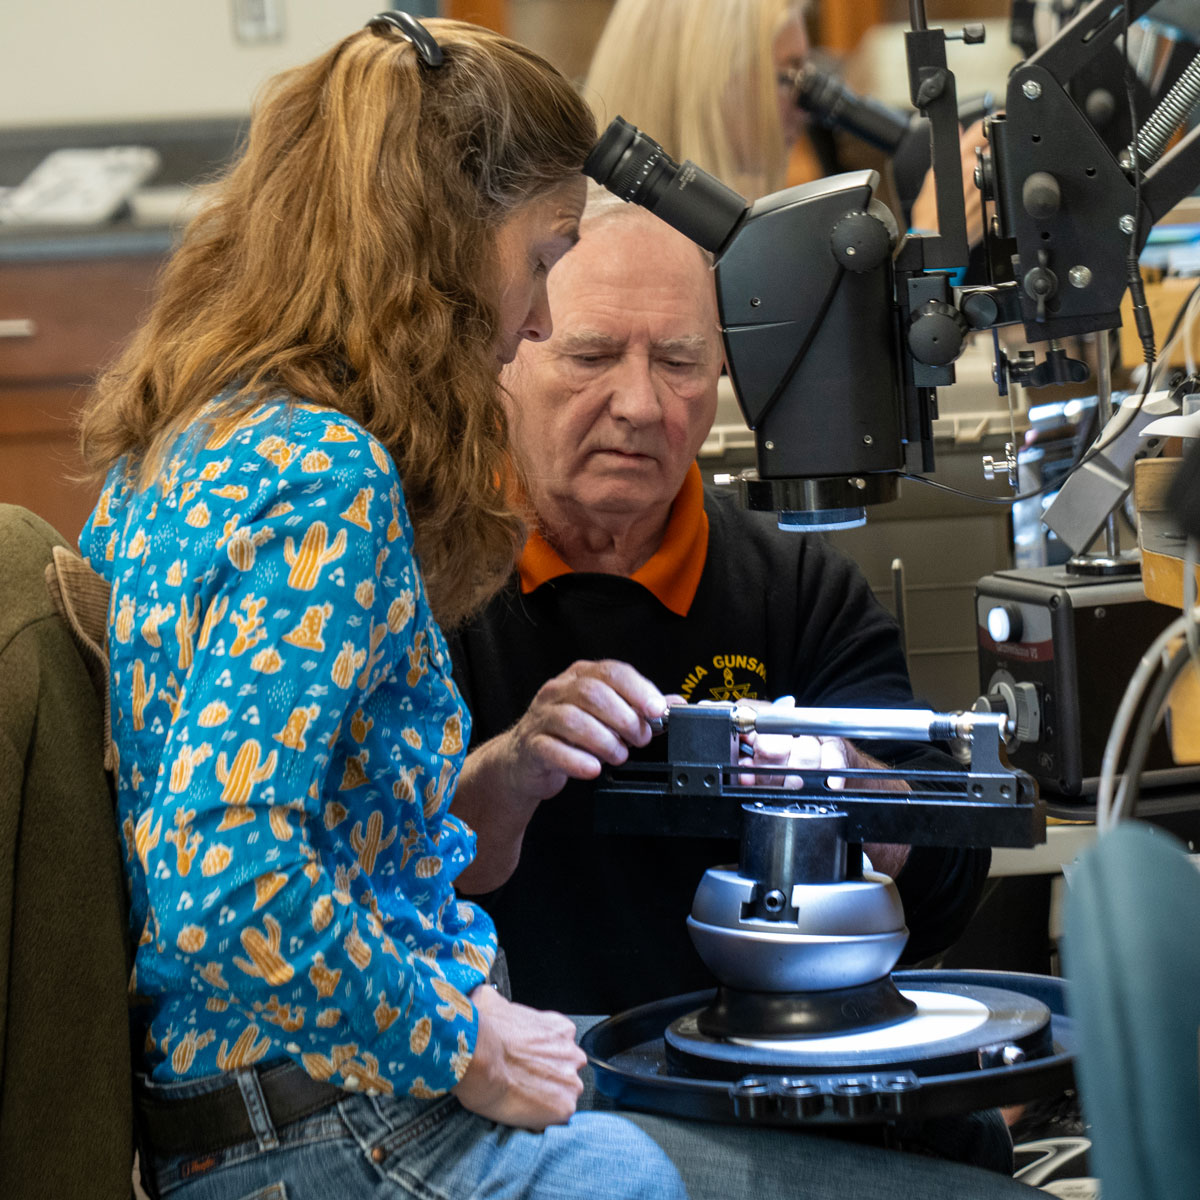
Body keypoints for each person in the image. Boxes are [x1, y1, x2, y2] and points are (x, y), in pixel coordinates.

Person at [77, 15, 694, 1200]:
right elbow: (228, 873)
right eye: (546, 254)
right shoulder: (325, 476)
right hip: (329, 1128)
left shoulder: (184, 446)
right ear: (449, 241)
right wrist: (462, 1041)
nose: (542, 317)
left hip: (263, 1111)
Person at [449, 188, 991, 1017]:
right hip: (521, 1081)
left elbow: (948, 890)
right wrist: (515, 768)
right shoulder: (427, 580)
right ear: (506, 357)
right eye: (591, 356)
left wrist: (841, 783)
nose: (640, 405)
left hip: (751, 1064)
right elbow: (366, 869)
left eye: (678, 362)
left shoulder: (797, 590)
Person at [585, 0, 987, 244]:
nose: (804, 107)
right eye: (786, 77)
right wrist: (934, 242)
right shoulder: (634, 254)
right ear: (712, 84)